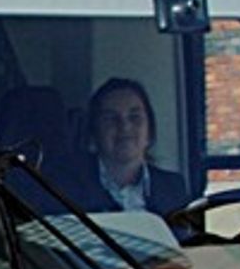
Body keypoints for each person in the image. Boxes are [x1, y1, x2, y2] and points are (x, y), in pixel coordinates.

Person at [53, 77, 191, 225]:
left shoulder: (174, 188)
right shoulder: (63, 190)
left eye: (134, 117)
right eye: (110, 118)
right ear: (94, 133)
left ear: (150, 131)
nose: (124, 127)